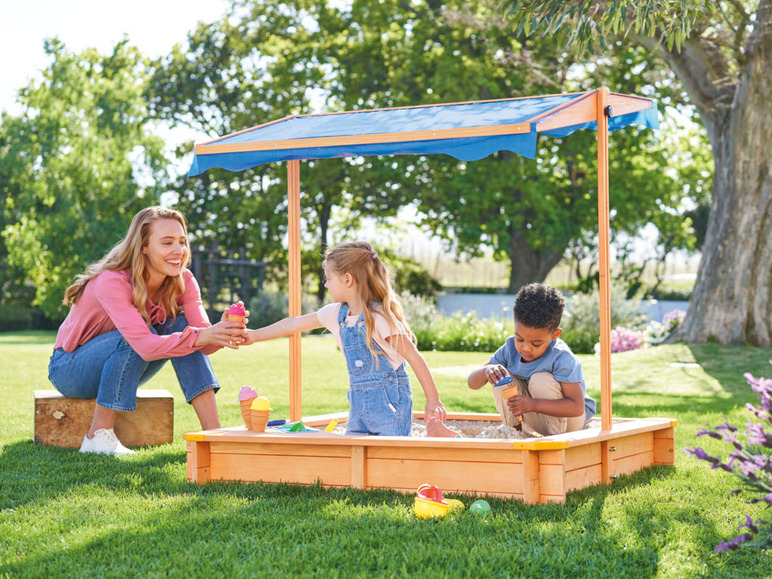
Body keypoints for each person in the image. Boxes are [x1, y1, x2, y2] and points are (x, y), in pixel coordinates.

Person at [48, 207, 248, 456]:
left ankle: (214, 435)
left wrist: (222, 330)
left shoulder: (183, 281)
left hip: (124, 365)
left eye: (182, 242)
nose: (179, 250)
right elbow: (142, 344)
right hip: (70, 369)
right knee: (140, 338)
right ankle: (97, 437)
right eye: (167, 243)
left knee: (185, 329)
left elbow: (204, 343)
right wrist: (200, 335)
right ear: (143, 246)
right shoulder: (112, 281)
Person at [243, 241, 452, 437]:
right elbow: (293, 324)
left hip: (391, 406)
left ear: (348, 280)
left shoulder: (379, 318)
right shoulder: (335, 314)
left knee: (392, 456)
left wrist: (433, 400)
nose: (325, 285)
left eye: (328, 278)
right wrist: (253, 336)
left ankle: (436, 432)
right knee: (355, 452)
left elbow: (413, 357)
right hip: (358, 408)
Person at [467, 283, 596, 436]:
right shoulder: (510, 349)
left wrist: (532, 404)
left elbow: (576, 407)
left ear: (555, 335)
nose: (526, 348)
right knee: (500, 377)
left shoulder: (561, 357)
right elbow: (472, 384)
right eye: (519, 339)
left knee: (540, 380)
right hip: (535, 416)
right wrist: (486, 370)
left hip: (570, 422)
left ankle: (554, 439)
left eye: (536, 344)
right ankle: (514, 433)